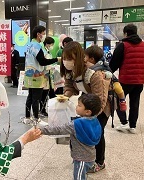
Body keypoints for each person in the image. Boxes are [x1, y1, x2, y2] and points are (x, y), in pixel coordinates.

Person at [60, 41, 111, 173]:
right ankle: (84, 158)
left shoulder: (93, 73)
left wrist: (90, 116)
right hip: (88, 103)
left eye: (70, 58)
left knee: (96, 132)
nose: (66, 61)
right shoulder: (71, 72)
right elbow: (69, 86)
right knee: (81, 132)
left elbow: (101, 98)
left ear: (78, 57)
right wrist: (66, 95)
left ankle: (100, 162)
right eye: (64, 58)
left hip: (103, 105)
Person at [40, 93, 102, 180]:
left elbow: (58, 129)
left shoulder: (76, 124)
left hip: (81, 159)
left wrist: (41, 130)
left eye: (79, 105)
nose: (76, 106)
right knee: (83, 174)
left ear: (88, 112)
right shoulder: (95, 120)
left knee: (79, 177)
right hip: (91, 155)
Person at [109, 24, 144, 134]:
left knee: (117, 99)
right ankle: (133, 126)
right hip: (139, 80)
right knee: (135, 103)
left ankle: (124, 122)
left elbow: (114, 63)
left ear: (125, 33)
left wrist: (108, 72)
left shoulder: (123, 45)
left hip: (126, 80)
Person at [23, 25, 59, 123]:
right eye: (43, 33)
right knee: (36, 98)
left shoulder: (30, 44)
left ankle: (27, 117)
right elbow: (42, 62)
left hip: (29, 75)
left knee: (30, 96)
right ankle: (36, 118)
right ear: (38, 34)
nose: (44, 35)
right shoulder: (37, 46)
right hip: (37, 75)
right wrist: (56, 59)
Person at [84, 45, 127, 111]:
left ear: (92, 59)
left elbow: (110, 73)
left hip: (112, 80)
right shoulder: (89, 65)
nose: (84, 59)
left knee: (118, 88)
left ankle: (122, 100)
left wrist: (105, 75)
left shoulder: (102, 65)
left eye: (85, 57)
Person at [40, 37, 56, 117]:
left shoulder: (48, 51)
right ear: (47, 44)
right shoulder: (43, 51)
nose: (52, 46)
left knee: (51, 93)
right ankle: (42, 110)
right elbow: (44, 64)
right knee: (44, 94)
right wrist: (50, 67)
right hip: (44, 75)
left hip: (49, 75)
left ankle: (51, 109)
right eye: (51, 44)